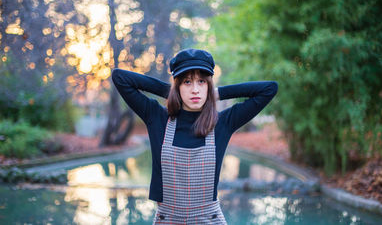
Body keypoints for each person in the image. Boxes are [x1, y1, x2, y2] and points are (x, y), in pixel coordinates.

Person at [111, 48, 278, 224]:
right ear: (178, 85)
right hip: (168, 220)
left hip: (209, 220)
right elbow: (120, 77)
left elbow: (269, 89)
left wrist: (218, 93)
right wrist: (172, 92)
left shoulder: (223, 123)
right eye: (187, 82)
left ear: (209, 85)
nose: (195, 90)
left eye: (201, 82)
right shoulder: (157, 118)